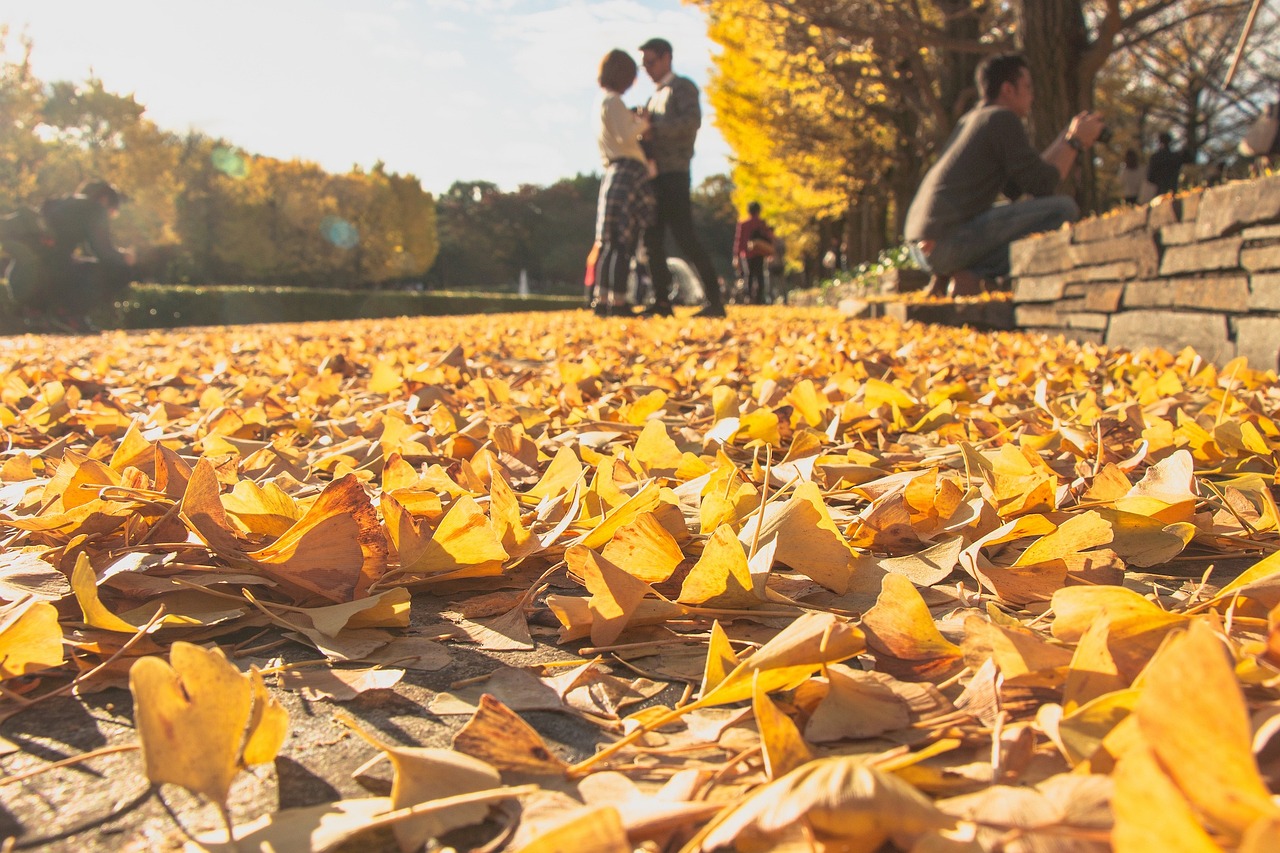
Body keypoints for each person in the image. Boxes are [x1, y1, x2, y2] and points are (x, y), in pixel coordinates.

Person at [903, 53, 1104, 295]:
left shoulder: (974, 119)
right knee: (1063, 209)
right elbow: (1042, 184)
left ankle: (949, 276)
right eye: (1027, 87)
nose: (1032, 95)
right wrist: (1074, 143)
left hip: (922, 249)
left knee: (1040, 209)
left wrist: (1066, 138)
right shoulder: (1001, 118)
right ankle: (974, 275)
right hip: (946, 245)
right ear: (1008, 89)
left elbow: (1019, 186)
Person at [637, 37, 726, 318]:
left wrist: (653, 129)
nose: (647, 69)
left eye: (651, 62)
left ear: (667, 58)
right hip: (655, 174)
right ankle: (662, 302)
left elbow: (691, 123)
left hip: (675, 172)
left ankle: (715, 300)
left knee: (685, 237)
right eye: (644, 64)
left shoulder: (682, 87)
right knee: (651, 238)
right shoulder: (653, 97)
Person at [3, 180, 134, 329]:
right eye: (113, 211)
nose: (110, 216)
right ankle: (69, 313)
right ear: (104, 200)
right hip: (51, 278)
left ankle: (38, 313)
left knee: (62, 263)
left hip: (20, 282)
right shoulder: (95, 209)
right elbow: (103, 251)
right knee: (120, 270)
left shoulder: (55, 204)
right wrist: (124, 257)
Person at [591, 49, 655, 317]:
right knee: (622, 241)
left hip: (613, 172)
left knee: (609, 242)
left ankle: (602, 300)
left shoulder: (601, 102)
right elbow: (626, 135)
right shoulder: (614, 101)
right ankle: (618, 303)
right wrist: (643, 122)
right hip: (628, 171)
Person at [733, 201, 775, 304]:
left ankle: (749, 297)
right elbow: (769, 238)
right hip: (760, 252)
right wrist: (770, 252)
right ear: (759, 211)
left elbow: (739, 240)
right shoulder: (762, 223)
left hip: (747, 254)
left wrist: (736, 256)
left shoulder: (743, 224)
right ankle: (759, 298)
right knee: (760, 274)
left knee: (749, 275)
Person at [1147, 131, 1190, 197]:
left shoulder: (1155, 158)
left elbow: (1150, 178)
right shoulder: (1175, 157)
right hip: (1174, 189)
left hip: (1160, 191)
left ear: (1159, 142)